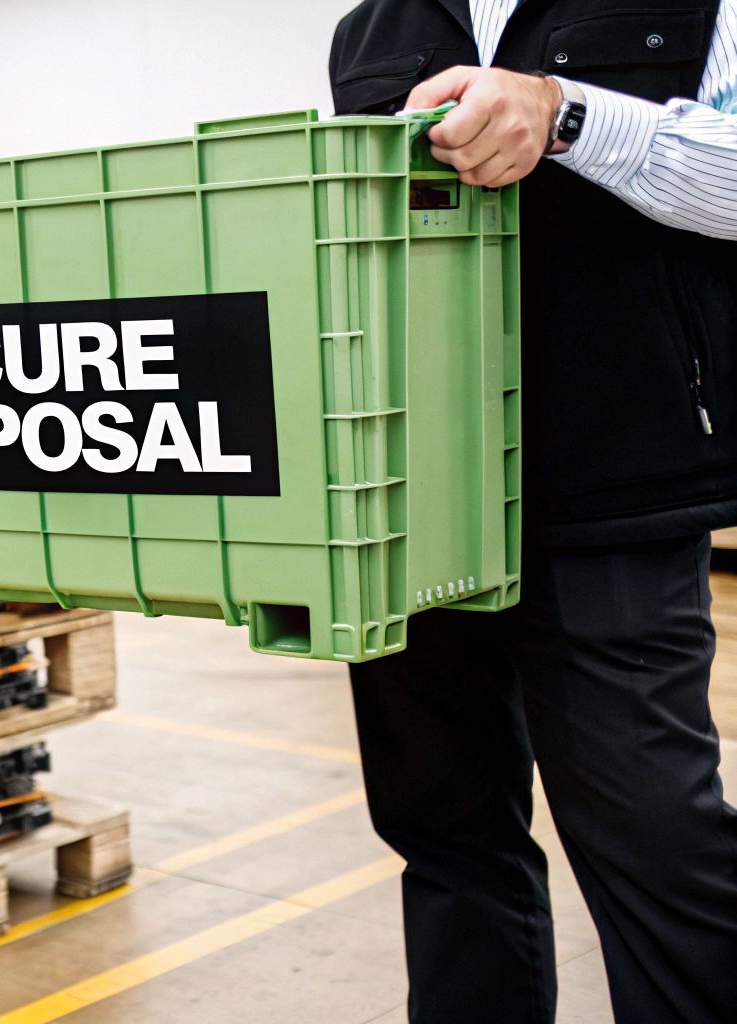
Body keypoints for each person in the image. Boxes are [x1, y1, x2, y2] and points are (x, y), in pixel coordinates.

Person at [327, 1, 737, 1021]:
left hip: (609, 484)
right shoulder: (374, 25)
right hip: (406, 501)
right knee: (444, 839)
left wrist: (564, 116)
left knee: (657, 853)